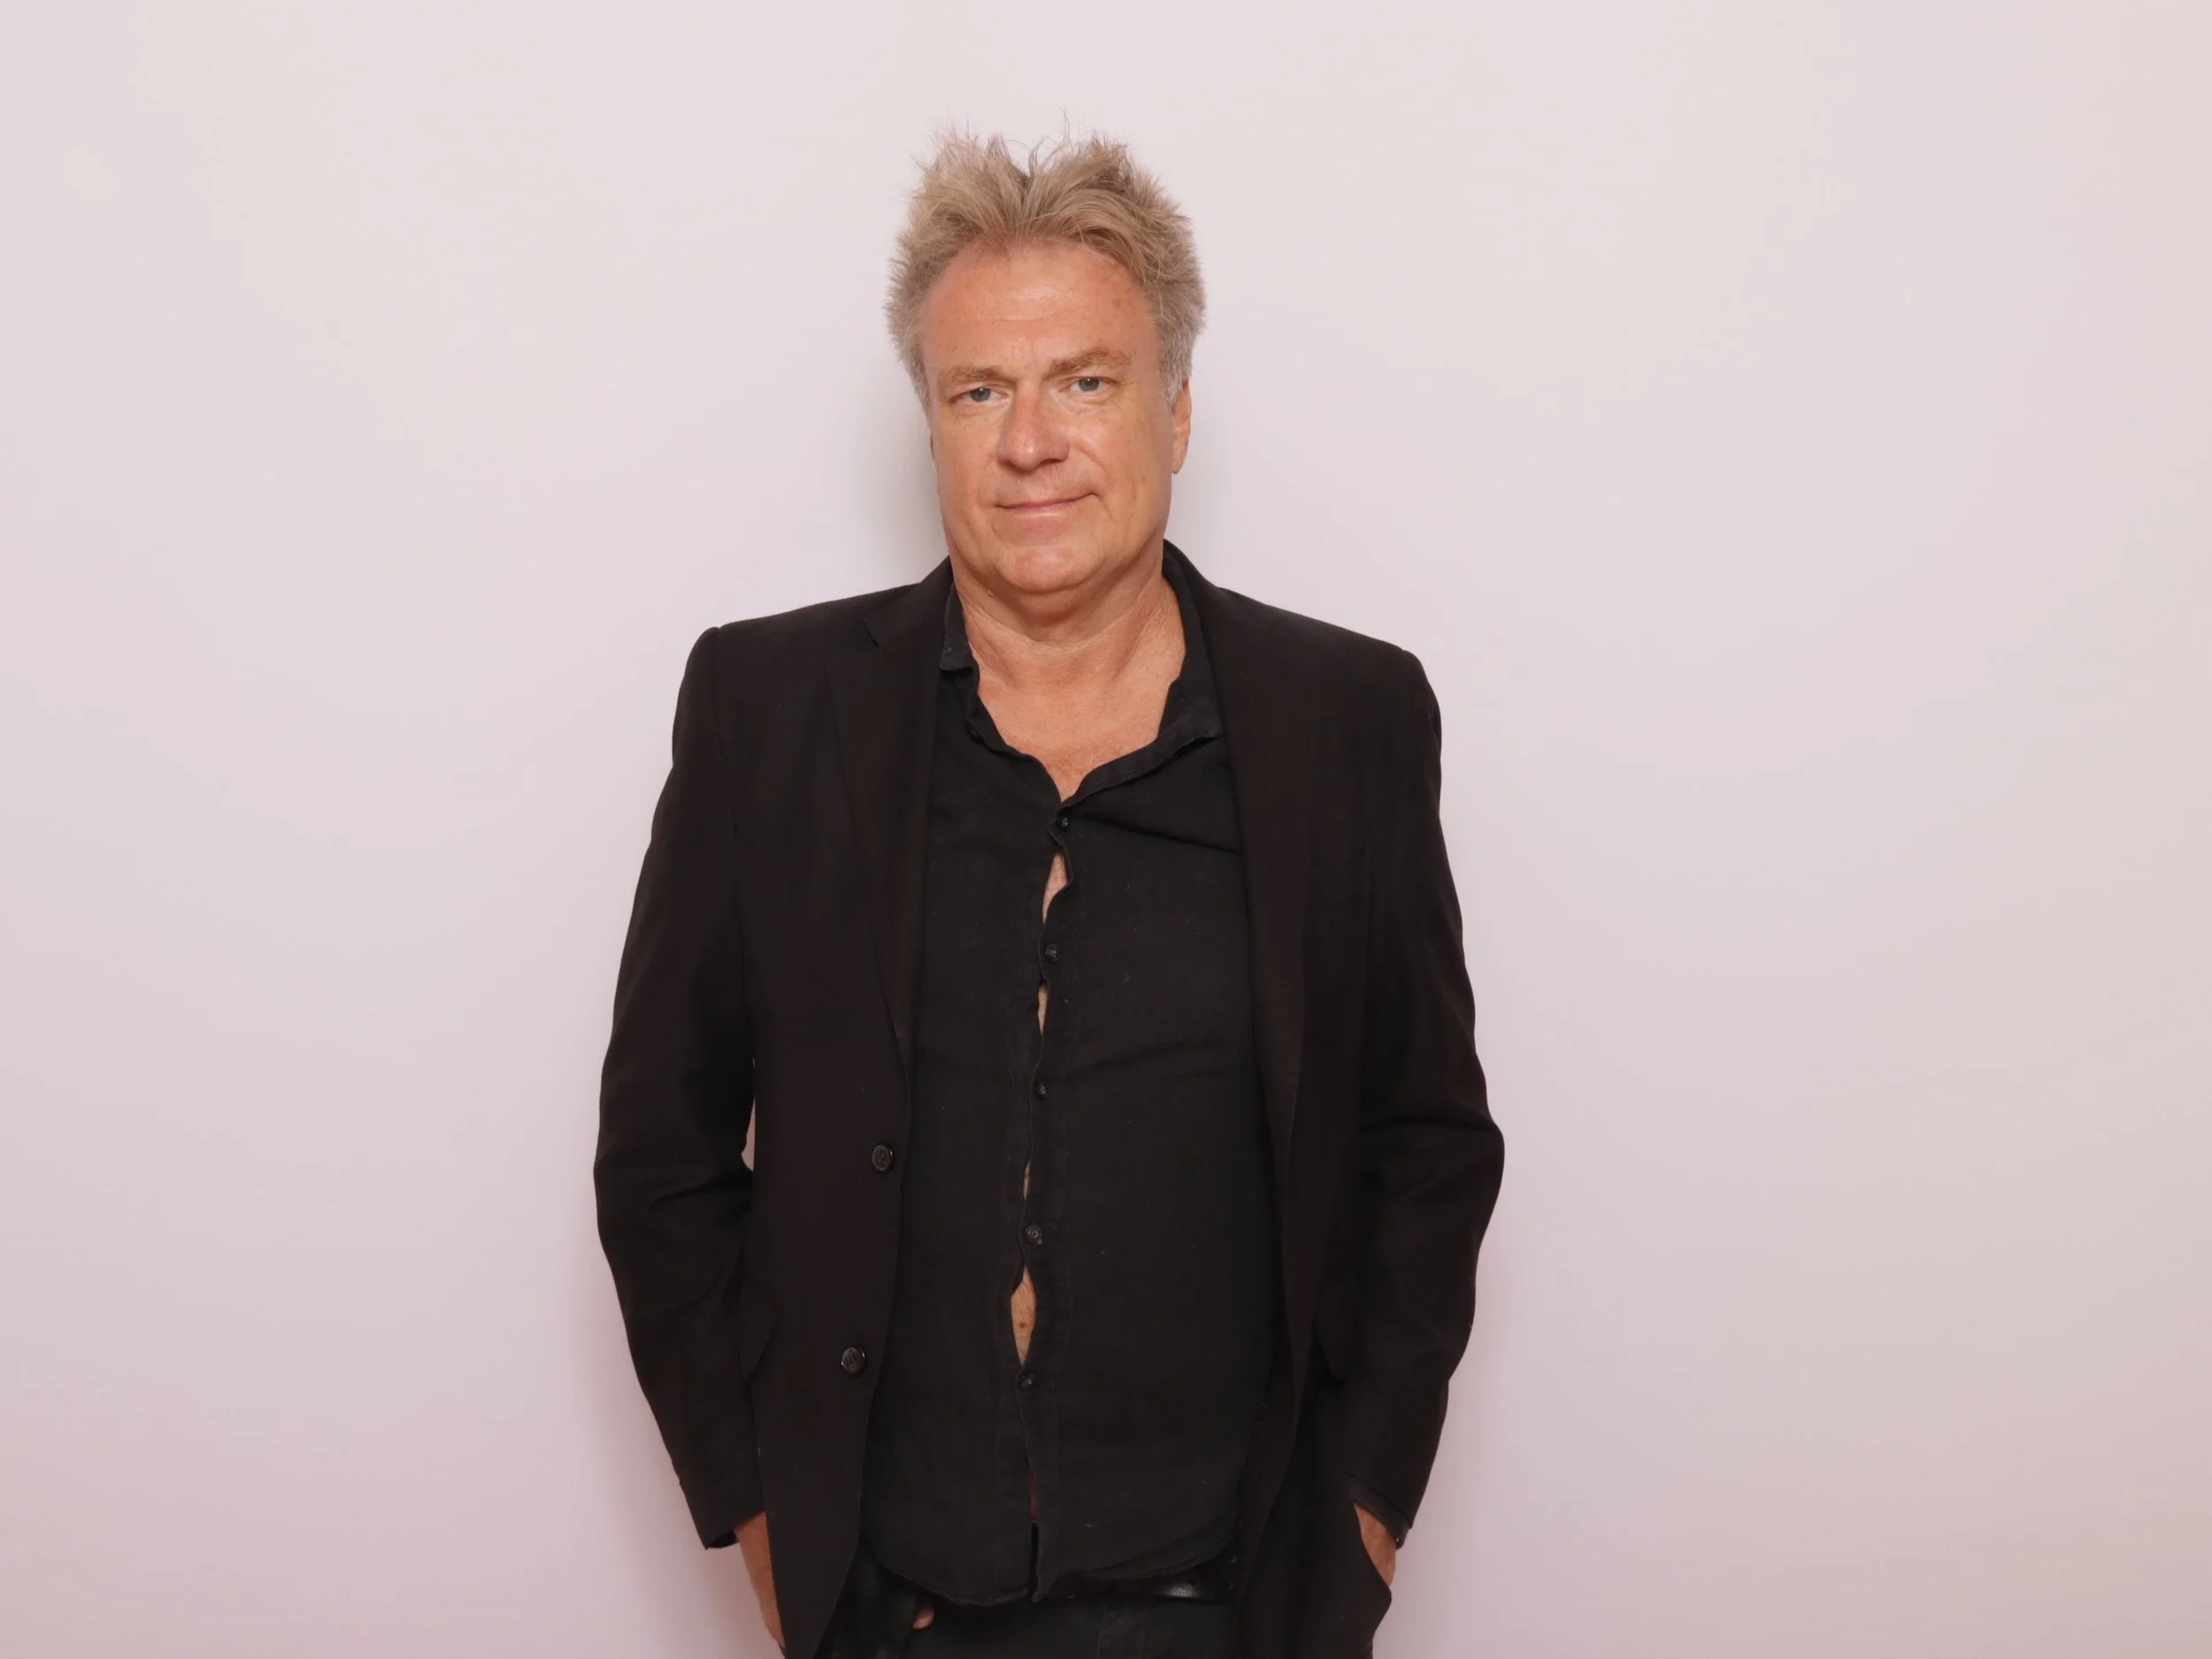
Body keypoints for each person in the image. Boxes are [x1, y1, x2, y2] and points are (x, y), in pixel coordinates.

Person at [595, 132, 1503, 1659]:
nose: (1031, 442)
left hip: (1237, 1607)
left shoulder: (1347, 721)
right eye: (979, 392)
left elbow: (1426, 1142)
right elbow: (661, 1151)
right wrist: (761, 1512)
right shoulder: (767, 711)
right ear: (931, 426)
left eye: (1085, 380)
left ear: (1177, 410)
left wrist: (1364, 1510)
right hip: (888, 1606)